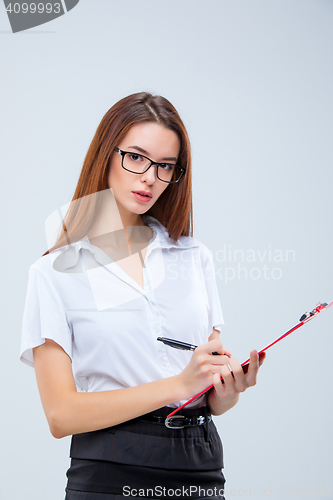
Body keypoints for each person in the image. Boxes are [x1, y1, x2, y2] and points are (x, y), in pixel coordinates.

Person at [20, 92, 265, 500]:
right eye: (136, 157)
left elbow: (209, 393)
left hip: (198, 464)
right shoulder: (54, 273)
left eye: (166, 166)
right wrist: (177, 384)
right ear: (106, 153)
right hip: (111, 470)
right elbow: (61, 415)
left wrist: (225, 389)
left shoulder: (192, 256)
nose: (150, 177)